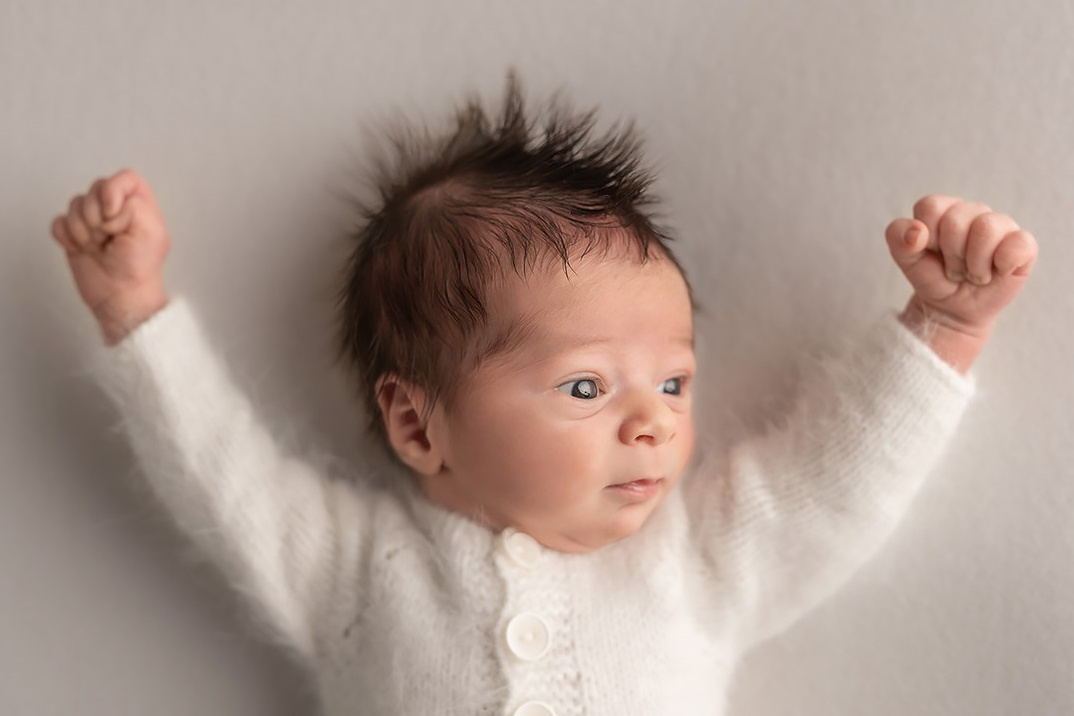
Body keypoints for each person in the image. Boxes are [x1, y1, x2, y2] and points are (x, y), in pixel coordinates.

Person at [49, 83, 1037, 716]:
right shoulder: (352, 570)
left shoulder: (689, 565)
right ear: (417, 422)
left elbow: (833, 487)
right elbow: (217, 469)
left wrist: (942, 331)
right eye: (584, 385)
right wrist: (135, 309)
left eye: (674, 380)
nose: (653, 417)